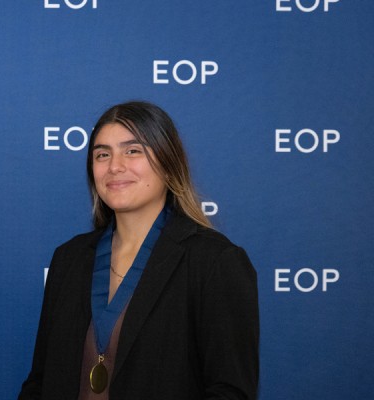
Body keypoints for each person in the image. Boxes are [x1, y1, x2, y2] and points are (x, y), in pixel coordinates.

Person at [18, 101, 259, 399]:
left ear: (170, 164)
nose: (115, 166)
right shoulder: (69, 259)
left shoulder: (214, 262)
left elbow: (229, 391)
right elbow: (40, 381)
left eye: (133, 151)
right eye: (102, 154)